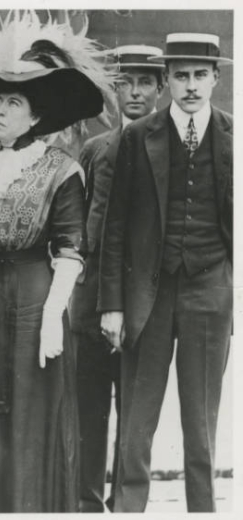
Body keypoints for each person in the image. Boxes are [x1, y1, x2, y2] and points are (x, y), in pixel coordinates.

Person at [0, 11, 112, 512]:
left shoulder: (60, 171)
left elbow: (70, 250)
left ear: (35, 117)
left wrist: (55, 314)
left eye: (13, 101)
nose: (0, 109)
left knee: (28, 416)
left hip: (35, 303)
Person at [99, 32, 233, 513]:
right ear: (168, 81)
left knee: (201, 421)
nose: (191, 86)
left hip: (208, 291)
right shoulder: (139, 137)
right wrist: (112, 304)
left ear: (216, 77)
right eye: (181, 76)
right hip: (147, 294)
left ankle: (203, 510)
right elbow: (115, 227)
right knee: (137, 417)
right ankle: (130, 509)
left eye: (200, 75)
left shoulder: (233, 136)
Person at [70, 44, 165, 513]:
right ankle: (87, 503)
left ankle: (128, 505)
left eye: (145, 82)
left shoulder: (168, 151)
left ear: (160, 88)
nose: (134, 92)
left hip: (143, 305)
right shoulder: (95, 150)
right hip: (90, 306)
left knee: (135, 417)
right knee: (89, 412)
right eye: (125, 82)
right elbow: (80, 224)